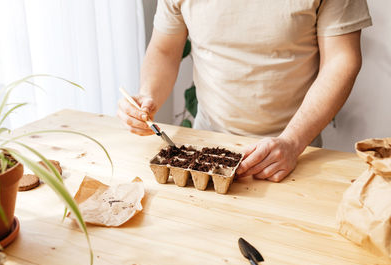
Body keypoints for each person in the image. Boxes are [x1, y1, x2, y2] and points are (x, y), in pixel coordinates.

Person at [118, 0, 372, 182]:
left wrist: (293, 143)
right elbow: (164, 50)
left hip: (294, 153)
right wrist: (148, 94)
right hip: (205, 148)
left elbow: (342, 60)